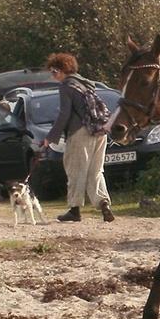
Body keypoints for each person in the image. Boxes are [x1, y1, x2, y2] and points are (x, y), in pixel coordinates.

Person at [39, 52, 115, 223]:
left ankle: (74, 210)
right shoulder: (87, 84)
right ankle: (104, 204)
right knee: (96, 170)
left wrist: (50, 137)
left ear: (62, 70)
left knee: (75, 170)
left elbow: (64, 114)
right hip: (99, 130)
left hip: (80, 133)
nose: (53, 75)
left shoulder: (67, 86)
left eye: (54, 71)